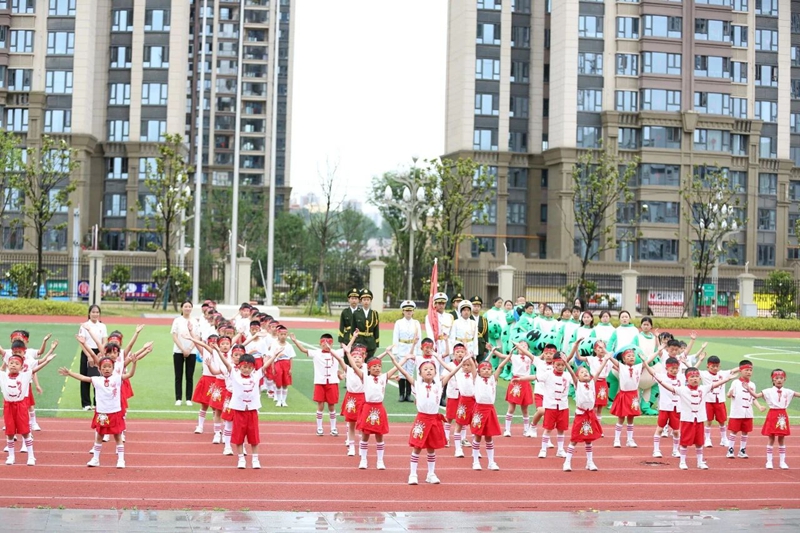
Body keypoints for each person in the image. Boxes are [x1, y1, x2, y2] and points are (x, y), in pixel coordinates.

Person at [60, 354, 138, 468]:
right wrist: (70, 373)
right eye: (104, 367)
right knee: (99, 436)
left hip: (114, 412)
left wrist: (134, 363)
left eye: (109, 367)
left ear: (113, 368)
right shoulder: (97, 380)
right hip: (102, 412)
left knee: (117, 436)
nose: (106, 369)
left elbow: (130, 374)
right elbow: (83, 378)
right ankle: (95, 459)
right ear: (99, 369)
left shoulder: (117, 378)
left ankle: (121, 460)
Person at [650, 367, 737, 470]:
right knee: (685, 441)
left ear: (700, 379)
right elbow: (669, 387)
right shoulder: (682, 390)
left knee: (699, 442)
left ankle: (700, 462)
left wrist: (727, 379)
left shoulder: (703, 389)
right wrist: (659, 380)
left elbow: (715, 384)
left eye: (696, 377)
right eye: (692, 377)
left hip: (699, 419)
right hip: (687, 419)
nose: (695, 379)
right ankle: (682, 461)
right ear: (687, 379)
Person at [390, 356, 459, 485]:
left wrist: (461, 363)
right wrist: (394, 361)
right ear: (420, 373)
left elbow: (452, 373)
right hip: (422, 420)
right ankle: (413, 474)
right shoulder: (417, 384)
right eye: (425, 369)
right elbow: (405, 373)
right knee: (417, 447)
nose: (428, 371)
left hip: (434, 420)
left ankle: (431, 474)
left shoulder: (439, 384)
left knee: (431, 448)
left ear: (435, 372)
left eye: (431, 369)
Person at [290, 332, 355, 436]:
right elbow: (303, 350)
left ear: (332, 343)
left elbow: (347, 349)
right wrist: (295, 341)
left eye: (329, 342)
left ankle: (333, 428)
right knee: (320, 405)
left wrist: (354, 336)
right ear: (320, 343)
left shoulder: (336, 353)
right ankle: (319, 427)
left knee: (331, 406)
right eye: (323, 342)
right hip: (320, 382)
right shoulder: (316, 353)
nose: (326, 345)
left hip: (332, 382)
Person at [2, 348, 57, 466]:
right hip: (8, 407)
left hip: (21, 406)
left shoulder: (25, 375)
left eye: (17, 364)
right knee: (10, 432)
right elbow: (3, 366)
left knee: (25, 431)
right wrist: (4, 362)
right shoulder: (3, 376)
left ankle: (31, 456)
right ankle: (11, 456)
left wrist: (46, 361)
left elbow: (35, 369)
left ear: (22, 367)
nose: (13, 365)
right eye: (11, 363)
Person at [223, 352, 275, 469]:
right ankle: (241, 458)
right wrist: (216, 349)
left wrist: (274, 355)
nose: (246, 370)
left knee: (254, 436)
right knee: (239, 436)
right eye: (244, 367)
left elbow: (265, 366)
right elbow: (226, 364)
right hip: (239, 411)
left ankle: (255, 458)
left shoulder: (256, 375)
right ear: (239, 366)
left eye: (249, 368)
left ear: (253, 368)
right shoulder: (235, 375)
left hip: (251, 411)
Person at [355, 348, 402, 470]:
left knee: (379, 435)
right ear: (369, 369)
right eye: (374, 366)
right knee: (365, 435)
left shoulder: (383, 377)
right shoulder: (365, 377)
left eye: (379, 366)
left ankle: (380, 461)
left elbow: (396, 368)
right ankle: (363, 460)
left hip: (379, 408)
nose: (376, 368)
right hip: (368, 408)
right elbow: (355, 368)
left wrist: (404, 359)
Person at [561, 353, 609, 471]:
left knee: (589, 440)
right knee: (574, 439)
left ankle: (590, 462)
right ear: (578, 377)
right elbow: (572, 374)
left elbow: (598, 372)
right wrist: (566, 362)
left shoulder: (592, 382)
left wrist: (606, 360)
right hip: (581, 414)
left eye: (586, 371)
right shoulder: (578, 384)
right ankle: (567, 462)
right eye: (581, 373)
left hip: (590, 414)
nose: (585, 373)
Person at [468, 353, 512, 471]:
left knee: (489, 437)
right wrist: (469, 356)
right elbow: (472, 365)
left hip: (490, 410)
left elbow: (500, 367)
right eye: (484, 369)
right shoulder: (476, 378)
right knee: (477, 436)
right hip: (479, 410)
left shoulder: (493, 379)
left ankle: (491, 462)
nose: (487, 371)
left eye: (489, 369)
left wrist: (508, 357)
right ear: (479, 371)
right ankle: (475, 461)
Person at [606, 346, 654, 448]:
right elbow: (612, 360)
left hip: (633, 396)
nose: (631, 357)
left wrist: (659, 350)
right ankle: (617, 439)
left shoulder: (638, 367)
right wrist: (607, 354)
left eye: (633, 356)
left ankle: (630, 440)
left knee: (631, 418)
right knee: (621, 418)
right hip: (623, 395)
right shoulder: (622, 367)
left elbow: (649, 360)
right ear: (624, 359)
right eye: (628, 356)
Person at [752, 369, 799, 469]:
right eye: (776, 378)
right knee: (771, 437)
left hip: (782, 415)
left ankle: (782, 461)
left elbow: (797, 394)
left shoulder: (788, 391)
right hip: (772, 414)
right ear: (772, 379)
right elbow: (756, 396)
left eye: (781, 378)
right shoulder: (768, 391)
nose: (779, 380)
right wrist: (748, 389)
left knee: (782, 438)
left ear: (785, 379)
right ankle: (769, 461)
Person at [643, 357, 683, 458]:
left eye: (676, 368)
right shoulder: (662, 377)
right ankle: (656, 450)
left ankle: (675, 450)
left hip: (676, 408)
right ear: (667, 368)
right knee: (660, 429)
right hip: (665, 407)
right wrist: (645, 362)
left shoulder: (681, 378)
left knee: (676, 431)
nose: (674, 371)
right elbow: (652, 372)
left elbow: (692, 373)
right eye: (672, 369)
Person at [726, 360, 763, 459]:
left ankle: (742, 450)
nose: (749, 372)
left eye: (750, 370)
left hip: (748, 412)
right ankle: (730, 449)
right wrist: (729, 394)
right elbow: (730, 393)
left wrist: (759, 406)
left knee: (745, 431)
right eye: (746, 370)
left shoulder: (752, 385)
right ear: (741, 370)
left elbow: (753, 398)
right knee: (734, 431)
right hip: (737, 412)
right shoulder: (736, 382)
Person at [700, 356, 738, 448]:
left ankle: (724, 438)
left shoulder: (722, 374)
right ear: (708, 366)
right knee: (708, 420)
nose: (715, 368)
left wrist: (744, 366)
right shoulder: (704, 374)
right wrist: (700, 359)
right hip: (708, 400)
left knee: (722, 420)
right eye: (713, 366)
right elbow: (691, 369)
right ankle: (708, 439)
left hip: (720, 400)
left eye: (717, 366)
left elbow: (733, 370)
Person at [498, 341, 535, 438]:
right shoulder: (514, 357)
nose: (523, 347)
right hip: (516, 382)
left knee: (525, 409)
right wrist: (492, 350)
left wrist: (545, 351)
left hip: (526, 382)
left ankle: (526, 430)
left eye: (525, 345)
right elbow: (502, 355)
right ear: (517, 348)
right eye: (520, 345)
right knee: (511, 408)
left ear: (528, 349)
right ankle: (507, 429)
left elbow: (540, 359)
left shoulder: (530, 358)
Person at [338, 343, 367, 456]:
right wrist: (342, 351)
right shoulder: (348, 369)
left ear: (363, 358)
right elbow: (340, 360)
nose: (357, 359)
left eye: (359, 357)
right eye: (354, 357)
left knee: (361, 424)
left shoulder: (366, 368)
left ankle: (361, 446)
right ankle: (351, 446)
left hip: (363, 398)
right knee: (351, 424)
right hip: (351, 398)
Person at [78, 305, 107, 410]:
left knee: (98, 378)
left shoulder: (102, 326)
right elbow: (82, 342)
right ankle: (86, 403)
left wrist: (100, 352)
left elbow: (105, 341)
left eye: (97, 312)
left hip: (99, 352)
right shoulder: (84, 326)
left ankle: (97, 403)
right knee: (85, 378)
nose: (95, 314)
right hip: (87, 351)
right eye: (93, 312)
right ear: (89, 313)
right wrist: (89, 355)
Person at [392, 301, 422, 402]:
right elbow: (395, 337)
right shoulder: (399, 323)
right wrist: (395, 351)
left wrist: (418, 352)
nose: (408, 312)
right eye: (406, 310)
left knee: (409, 372)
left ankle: (408, 394)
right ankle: (401, 394)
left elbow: (419, 338)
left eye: (410, 310)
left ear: (413, 312)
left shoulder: (416, 323)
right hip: (402, 348)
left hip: (412, 349)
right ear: (403, 311)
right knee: (401, 371)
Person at [171, 300, 198, 407]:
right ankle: (178, 398)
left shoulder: (195, 321)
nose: (187, 308)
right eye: (185, 306)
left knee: (189, 376)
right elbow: (174, 336)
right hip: (178, 351)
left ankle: (188, 398)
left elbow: (197, 336)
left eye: (189, 306)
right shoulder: (177, 321)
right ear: (182, 308)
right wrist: (183, 349)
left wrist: (190, 348)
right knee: (178, 375)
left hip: (192, 351)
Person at [452, 350, 477, 458]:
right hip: (463, 402)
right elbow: (454, 369)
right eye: (464, 365)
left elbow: (474, 366)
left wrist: (469, 357)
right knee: (459, 424)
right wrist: (463, 361)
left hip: (474, 402)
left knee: (475, 427)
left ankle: (476, 450)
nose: (466, 367)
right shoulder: (459, 374)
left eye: (468, 365)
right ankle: (458, 449)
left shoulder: (475, 376)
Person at [268, 325, 296, 407]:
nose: (283, 336)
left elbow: (291, 357)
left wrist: (290, 368)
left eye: (285, 334)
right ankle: (278, 399)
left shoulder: (289, 345)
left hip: (286, 364)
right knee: (278, 383)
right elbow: (272, 357)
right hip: (278, 363)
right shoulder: (275, 344)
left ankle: (283, 401)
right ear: (278, 335)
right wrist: (273, 367)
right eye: (281, 334)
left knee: (285, 383)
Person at [426, 292, 453, 364]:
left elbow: (451, 334)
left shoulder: (449, 317)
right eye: (439, 303)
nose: (441, 305)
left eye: (443, 303)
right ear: (435, 304)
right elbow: (430, 333)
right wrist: (433, 346)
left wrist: (451, 349)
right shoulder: (430, 317)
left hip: (446, 346)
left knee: (446, 369)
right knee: (436, 368)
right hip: (436, 344)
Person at [353, 289, 380, 360]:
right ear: (361, 301)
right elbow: (353, 329)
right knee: (359, 362)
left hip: (371, 342)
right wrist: (352, 342)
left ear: (370, 301)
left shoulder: (374, 313)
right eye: (364, 300)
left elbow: (376, 330)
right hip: (360, 341)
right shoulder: (356, 313)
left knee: (370, 362)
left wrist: (376, 344)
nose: (366, 302)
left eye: (368, 300)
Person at [338, 288, 361, 358]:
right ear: (349, 300)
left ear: (359, 300)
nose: (354, 300)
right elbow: (341, 327)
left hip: (359, 338)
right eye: (352, 298)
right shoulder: (345, 312)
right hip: (347, 338)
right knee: (347, 359)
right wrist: (341, 341)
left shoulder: (361, 312)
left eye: (356, 298)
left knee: (358, 359)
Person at [471, 296, 489, 363]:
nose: (476, 308)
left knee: (481, 364)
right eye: (474, 306)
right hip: (471, 344)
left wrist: (486, 350)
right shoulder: (468, 318)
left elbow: (486, 335)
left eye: (478, 306)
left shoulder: (484, 320)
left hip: (481, 345)